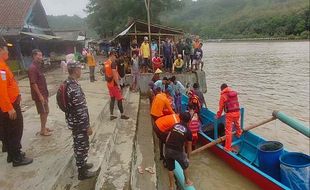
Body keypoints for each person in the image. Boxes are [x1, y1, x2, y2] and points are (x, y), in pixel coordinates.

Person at [0, 37, 33, 167]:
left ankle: (12, 154)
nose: (8, 51)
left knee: (9, 131)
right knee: (15, 130)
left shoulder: (3, 65)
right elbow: (1, 91)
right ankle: (16, 158)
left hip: (10, 103)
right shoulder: (1, 68)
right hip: (9, 105)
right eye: (6, 49)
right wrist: (9, 108)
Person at [64, 61, 95, 180]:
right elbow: (80, 109)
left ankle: (83, 164)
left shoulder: (69, 83)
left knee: (80, 144)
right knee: (81, 145)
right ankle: (82, 172)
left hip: (74, 121)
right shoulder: (73, 88)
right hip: (79, 123)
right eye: (79, 69)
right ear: (75, 70)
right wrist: (87, 126)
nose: (80, 70)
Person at [165, 112, 193, 190]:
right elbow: (189, 146)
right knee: (185, 166)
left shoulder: (174, 125)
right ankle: (187, 181)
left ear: (179, 118)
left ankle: (171, 186)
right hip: (177, 151)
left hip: (167, 148)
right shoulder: (188, 131)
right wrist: (188, 158)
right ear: (189, 121)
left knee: (170, 168)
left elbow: (167, 138)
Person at [28, 49, 52, 136]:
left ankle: (44, 127)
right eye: (39, 55)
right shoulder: (32, 68)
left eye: (41, 55)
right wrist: (40, 95)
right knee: (43, 112)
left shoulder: (38, 67)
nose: (41, 57)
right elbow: (33, 83)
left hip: (43, 93)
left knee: (46, 111)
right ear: (34, 56)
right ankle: (42, 130)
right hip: (40, 95)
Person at [215, 83, 242, 152]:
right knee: (236, 123)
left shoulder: (223, 96)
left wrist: (218, 115)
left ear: (222, 89)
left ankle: (227, 148)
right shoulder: (233, 93)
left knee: (228, 131)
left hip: (230, 115)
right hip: (238, 112)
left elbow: (221, 108)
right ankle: (239, 133)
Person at [104, 50, 129, 120]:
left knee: (112, 99)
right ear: (112, 55)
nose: (115, 57)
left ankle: (111, 115)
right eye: (115, 56)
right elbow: (114, 73)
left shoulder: (106, 63)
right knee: (119, 99)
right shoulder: (113, 63)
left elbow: (108, 73)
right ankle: (122, 115)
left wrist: (119, 76)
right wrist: (118, 84)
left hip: (109, 84)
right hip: (114, 84)